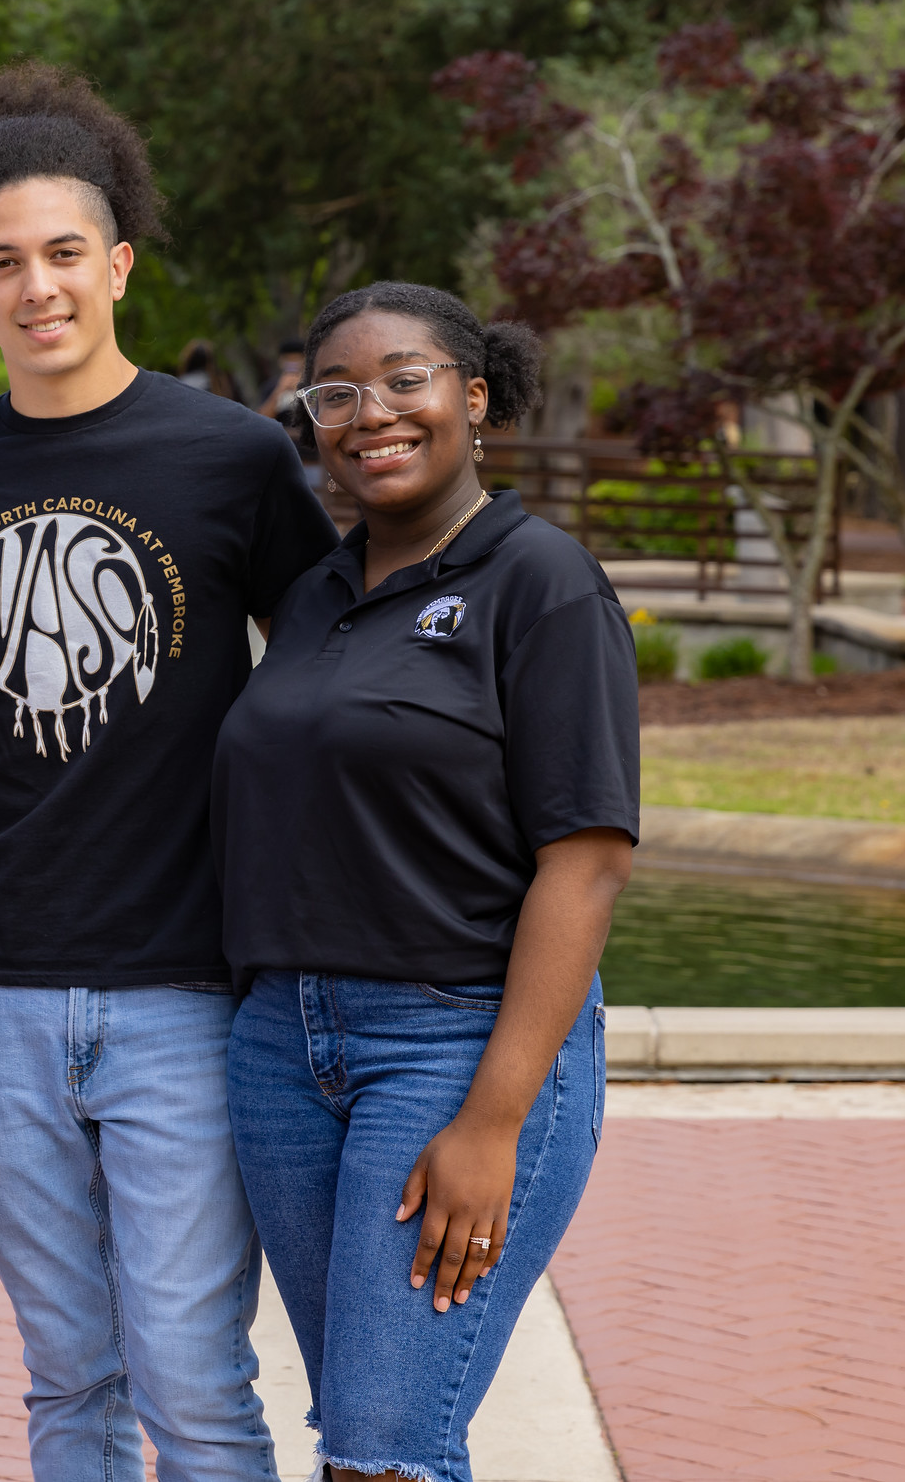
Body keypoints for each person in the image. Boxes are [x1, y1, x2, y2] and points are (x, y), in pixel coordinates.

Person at [0, 63, 338, 1481]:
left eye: (66, 255)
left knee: (195, 1382)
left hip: (191, 987)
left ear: (121, 263)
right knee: (66, 1380)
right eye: (4, 263)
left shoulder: (236, 461)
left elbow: (337, 685)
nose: (39, 288)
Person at [212, 282, 637, 1482]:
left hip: (452, 1046)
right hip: (283, 1054)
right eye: (335, 393)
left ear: (474, 396)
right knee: (357, 1422)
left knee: (386, 1447)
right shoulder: (311, 597)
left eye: (407, 379)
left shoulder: (540, 580)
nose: (372, 413)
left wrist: (493, 1116)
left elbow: (587, 859)